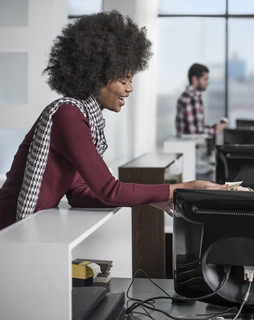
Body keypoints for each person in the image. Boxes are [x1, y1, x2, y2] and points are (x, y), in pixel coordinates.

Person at [0, 11, 234, 231]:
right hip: (10, 228)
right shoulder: (67, 115)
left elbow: (80, 192)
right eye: (124, 81)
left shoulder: (85, 118)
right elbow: (110, 191)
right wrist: (188, 187)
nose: (130, 89)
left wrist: (152, 199)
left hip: (32, 230)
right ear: (95, 77)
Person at [175, 63, 227, 136]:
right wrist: (216, 130)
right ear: (194, 79)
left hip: (188, 145)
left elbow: (197, 127)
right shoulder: (191, 98)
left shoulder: (187, 96)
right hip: (191, 146)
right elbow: (193, 131)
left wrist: (215, 127)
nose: (208, 82)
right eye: (205, 79)